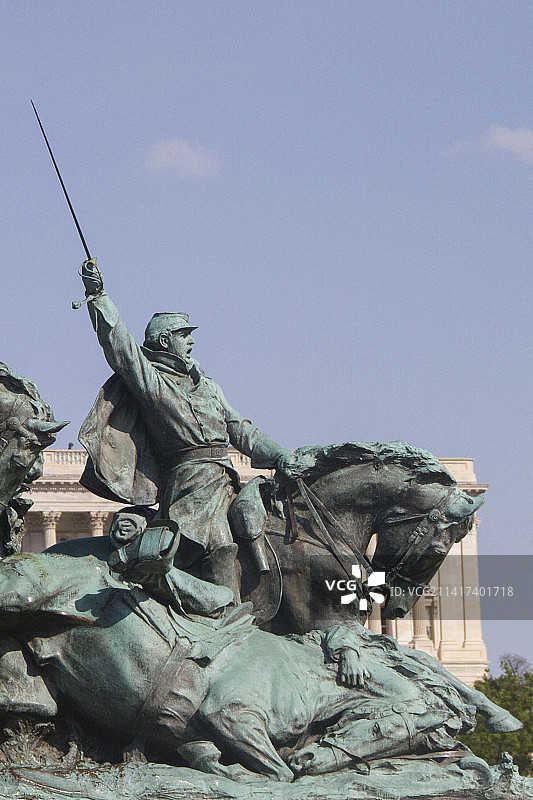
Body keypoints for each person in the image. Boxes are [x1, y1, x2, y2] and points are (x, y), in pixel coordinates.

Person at [78, 259, 310, 601]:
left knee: (267, 524)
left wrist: (280, 455)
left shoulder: (209, 387)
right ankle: (224, 613)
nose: (191, 342)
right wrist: (97, 295)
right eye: (183, 335)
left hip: (227, 480)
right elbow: (121, 347)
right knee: (220, 541)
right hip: (190, 487)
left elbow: (243, 432)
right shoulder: (155, 384)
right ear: (163, 341)